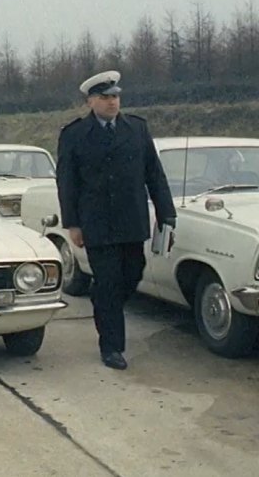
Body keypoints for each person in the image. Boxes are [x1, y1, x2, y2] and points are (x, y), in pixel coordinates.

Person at [56, 70, 177, 370]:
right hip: (96, 222)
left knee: (132, 274)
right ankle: (112, 347)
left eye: (115, 97)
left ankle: (102, 303)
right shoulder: (74, 135)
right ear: (91, 101)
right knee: (109, 282)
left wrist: (167, 214)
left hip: (131, 219)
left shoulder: (136, 129)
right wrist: (73, 224)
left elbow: (154, 174)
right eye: (105, 97)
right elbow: (67, 182)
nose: (112, 103)